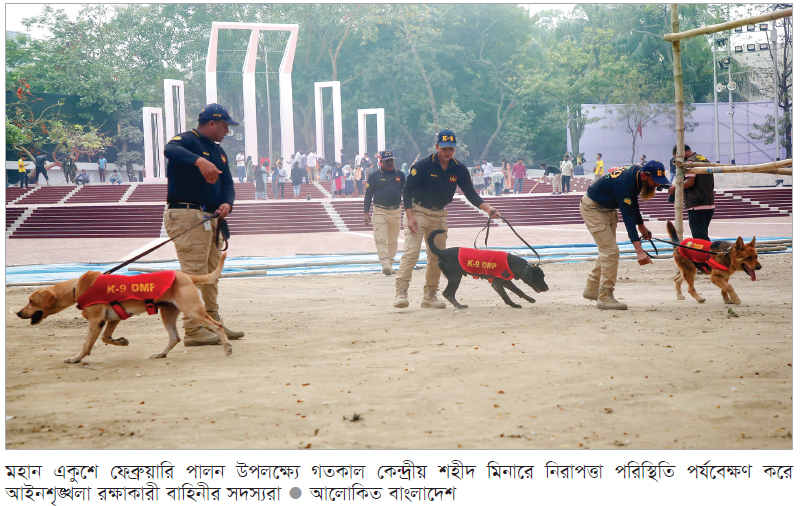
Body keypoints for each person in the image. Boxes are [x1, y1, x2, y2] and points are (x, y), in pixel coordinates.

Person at [162, 103, 245, 346]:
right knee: (194, 274)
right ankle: (194, 330)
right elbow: (169, 150)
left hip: (211, 218)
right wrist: (199, 162)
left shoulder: (218, 152)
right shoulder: (187, 141)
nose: (227, 131)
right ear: (211, 123)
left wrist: (228, 204)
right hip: (188, 214)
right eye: (224, 126)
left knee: (210, 275)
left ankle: (212, 323)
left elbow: (228, 184)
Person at [394, 129, 500, 308]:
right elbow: (407, 190)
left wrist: (488, 208)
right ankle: (401, 292)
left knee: (437, 257)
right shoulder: (423, 165)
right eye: (444, 148)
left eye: (451, 148)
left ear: (455, 149)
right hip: (418, 212)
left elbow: (470, 193)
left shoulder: (459, 168)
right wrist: (409, 215)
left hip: (439, 215)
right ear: (437, 147)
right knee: (411, 253)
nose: (447, 152)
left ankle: (430, 295)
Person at [580, 161, 668, 310]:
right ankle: (605, 296)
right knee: (611, 251)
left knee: (607, 251)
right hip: (593, 209)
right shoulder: (626, 183)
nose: (657, 186)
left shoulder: (637, 174)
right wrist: (639, 251)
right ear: (645, 176)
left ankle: (592, 288)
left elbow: (633, 203)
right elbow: (628, 219)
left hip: (607, 209)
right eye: (655, 182)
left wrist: (641, 225)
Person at [364, 150, 405, 275]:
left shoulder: (400, 175)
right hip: (380, 211)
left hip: (396, 211)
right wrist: (366, 212)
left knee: (393, 241)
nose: (390, 163)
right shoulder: (374, 176)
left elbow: (406, 192)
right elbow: (368, 194)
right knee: (380, 239)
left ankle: (390, 264)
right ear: (381, 161)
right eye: (387, 161)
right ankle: (385, 264)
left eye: (392, 160)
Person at [668, 144, 715, 241]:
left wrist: (676, 188)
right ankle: (708, 254)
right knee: (702, 234)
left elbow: (690, 182)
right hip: (708, 202)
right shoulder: (703, 159)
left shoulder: (690, 162)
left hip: (697, 203)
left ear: (680, 153)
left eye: (676, 157)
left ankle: (708, 255)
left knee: (699, 237)